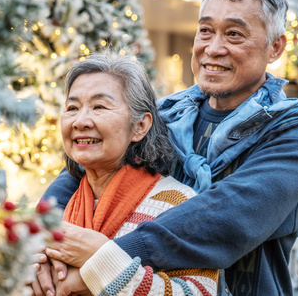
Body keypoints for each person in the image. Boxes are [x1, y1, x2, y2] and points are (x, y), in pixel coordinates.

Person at [38, 0, 298, 296]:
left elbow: (226, 217)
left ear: (276, 47)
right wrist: (42, 244)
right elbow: (78, 174)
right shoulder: (165, 116)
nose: (213, 48)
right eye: (205, 31)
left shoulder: (295, 131)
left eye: (234, 34)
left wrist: (106, 260)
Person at [30, 52, 220, 296]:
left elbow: (201, 292)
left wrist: (102, 263)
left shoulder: (177, 202)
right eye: (72, 107)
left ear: (140, 126)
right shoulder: (61, 208)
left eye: (99, 106)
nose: (80, 121)